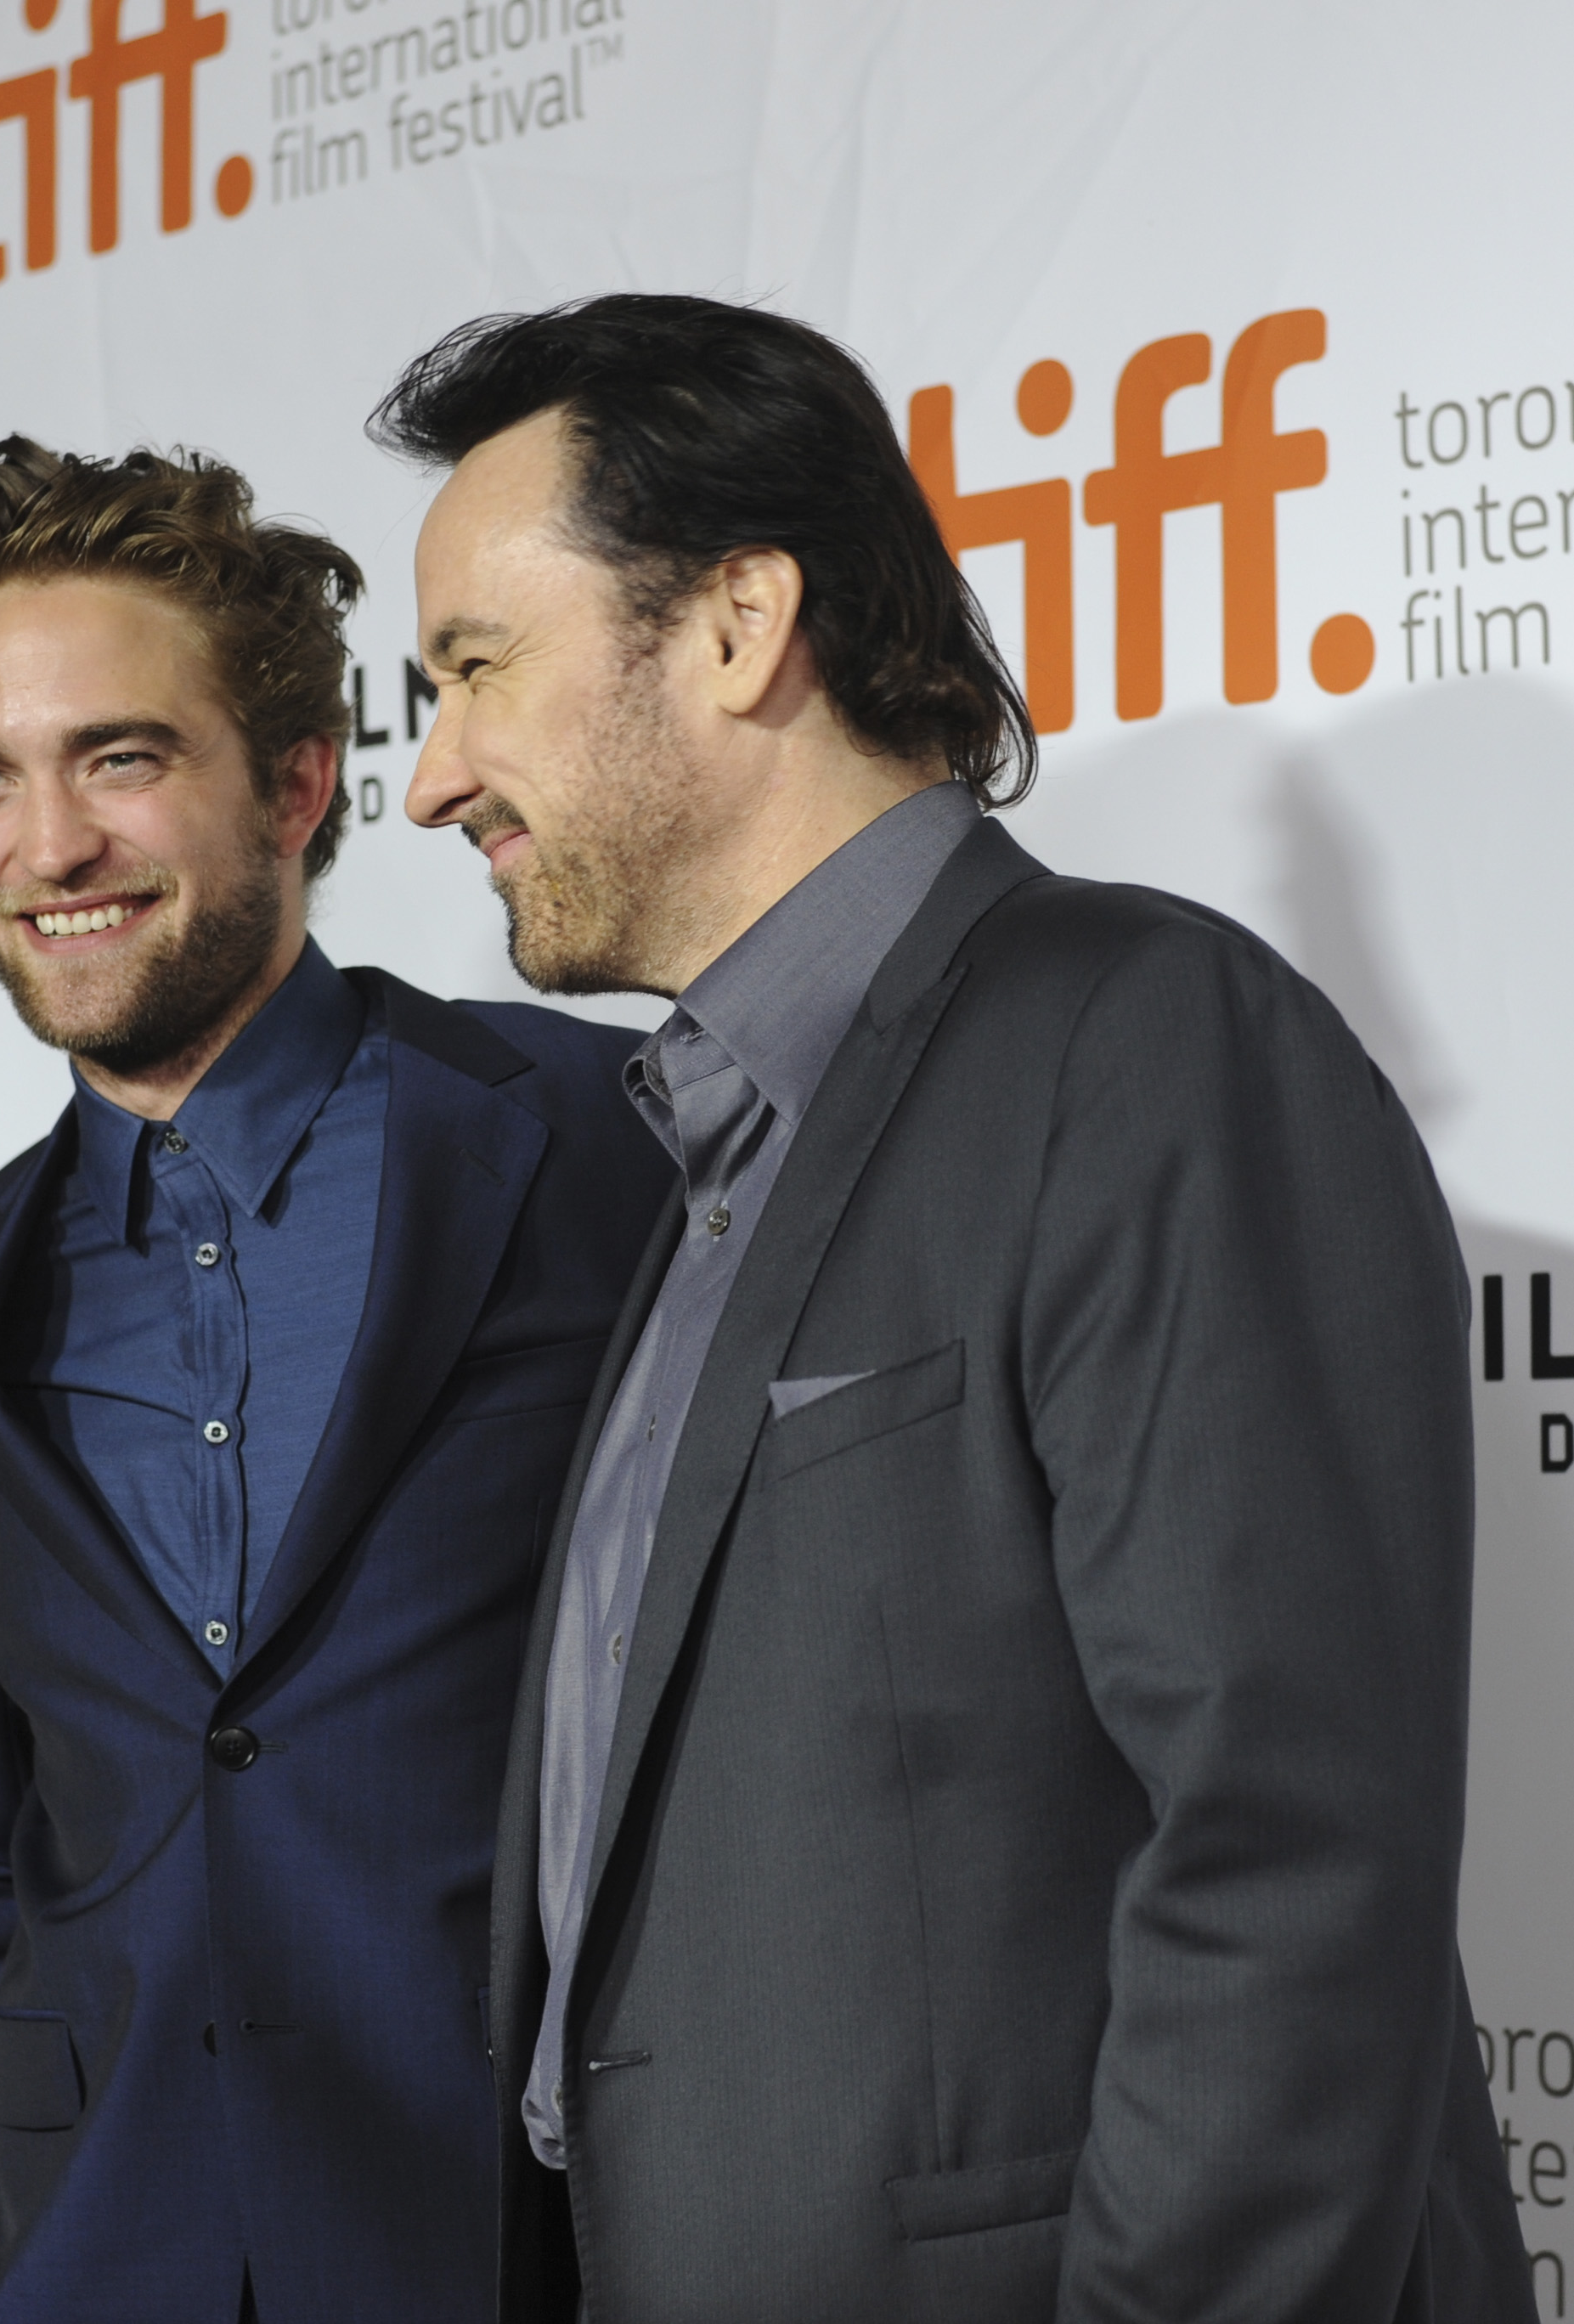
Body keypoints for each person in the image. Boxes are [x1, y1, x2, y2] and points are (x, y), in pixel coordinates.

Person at [373, 296, 1535, 2324]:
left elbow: (1285, 1871)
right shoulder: (712, 1147)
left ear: (738, 623)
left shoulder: (1149, 1041)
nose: (433, 777)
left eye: (478, 669)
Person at [0, 437, 671, 2324]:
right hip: (87, 2253)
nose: (46, 847)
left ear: (300, 783)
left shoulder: (604, 1136)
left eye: (118, 759)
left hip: (513, 2237)